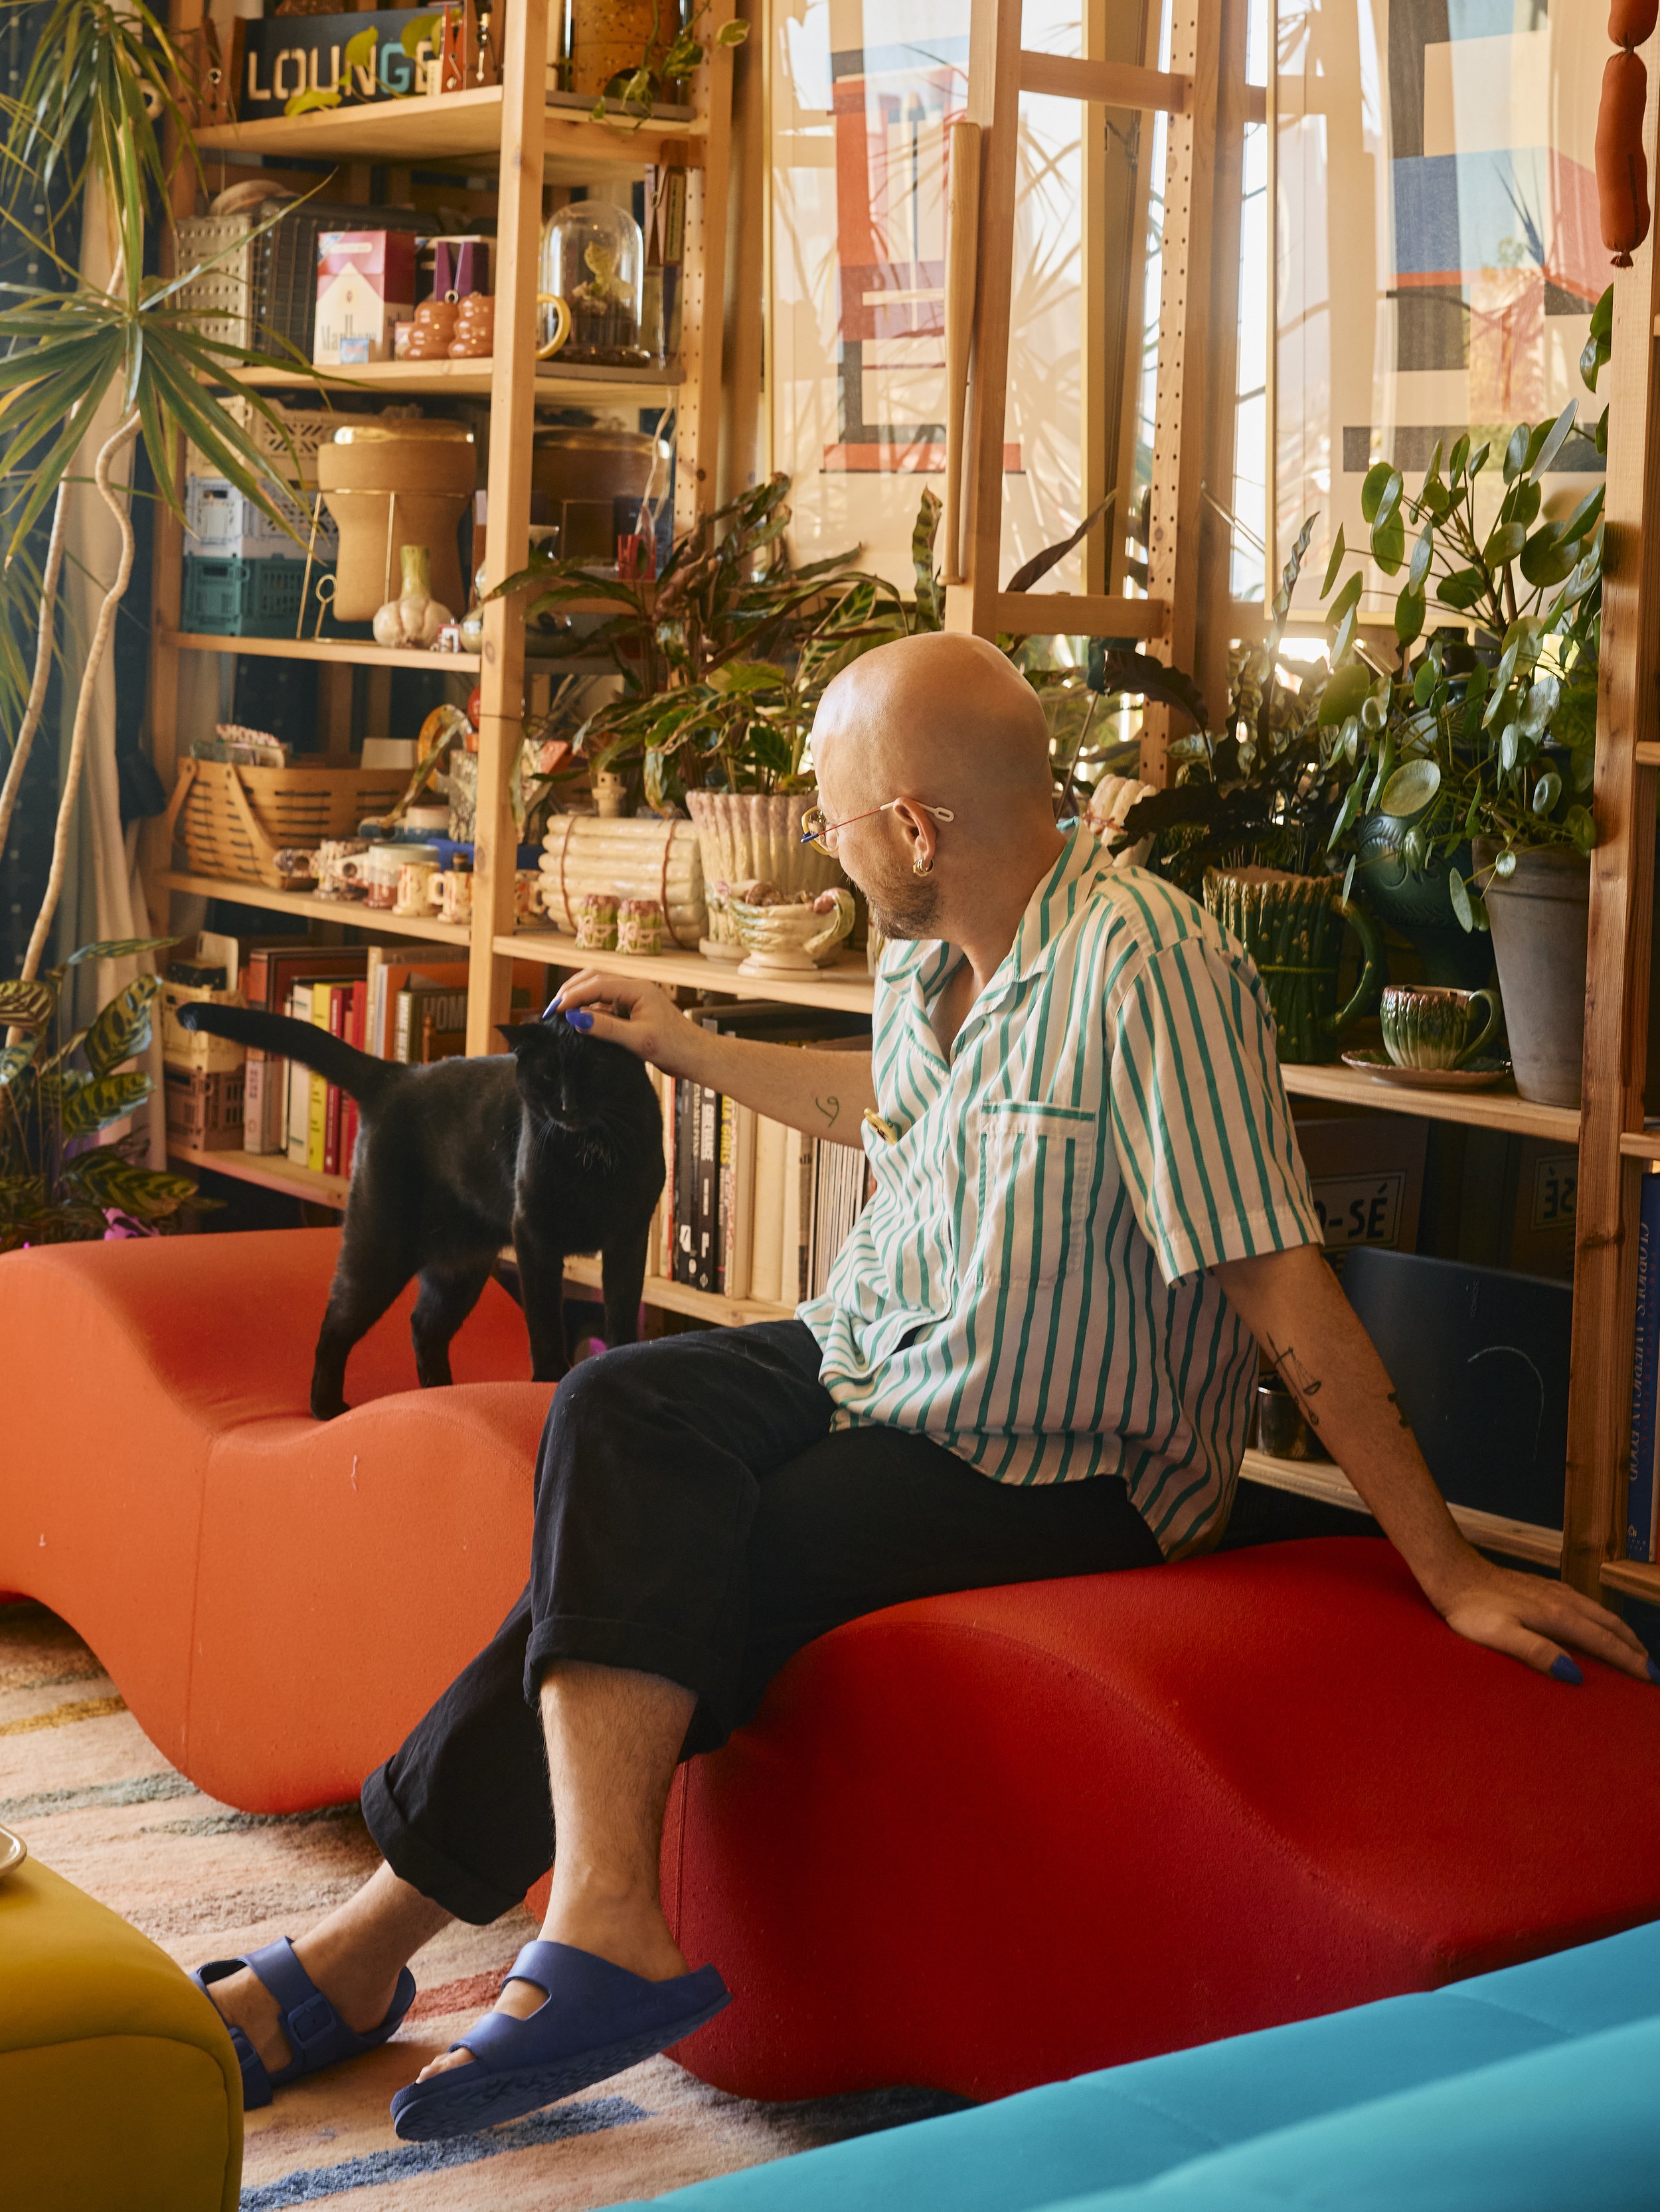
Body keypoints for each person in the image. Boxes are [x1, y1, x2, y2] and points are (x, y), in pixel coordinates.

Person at [193, 633, 1655, 2140]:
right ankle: (605, 1914)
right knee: (616, 1407)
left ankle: (369, 1953)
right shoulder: (920, 956)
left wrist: (1448, 1565)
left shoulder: (1149, 968)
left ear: (913, 826)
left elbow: (1275, 1275)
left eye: (829, 813)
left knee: (706, 1555)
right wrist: (687, 1041)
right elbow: (883, 1106)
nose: (821, 843)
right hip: (878, 1360)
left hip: (1062, 1467)